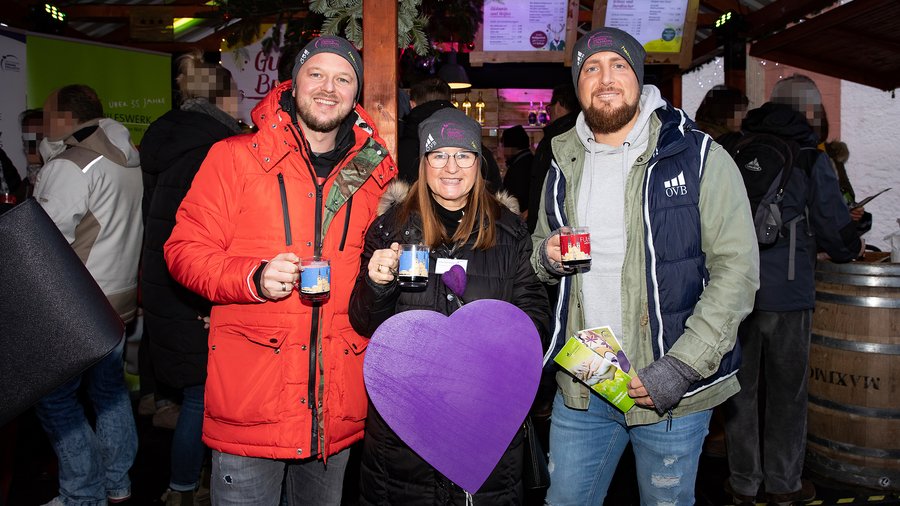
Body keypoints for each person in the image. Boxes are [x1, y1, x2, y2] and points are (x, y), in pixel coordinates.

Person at [164, 35, 397, 505]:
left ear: (355, 95)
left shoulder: (376, 176)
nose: (328, 88)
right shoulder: (234, 158)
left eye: (343, 78)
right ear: (292, 85)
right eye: (317, 74)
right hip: (253, 400)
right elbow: (183, 251)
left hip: (334, 408)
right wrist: (252, 277)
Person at [530, 27, 759, 505]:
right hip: (584, 383)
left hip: (669, 388)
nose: (605, 77)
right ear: (578, 85)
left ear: (638, 77)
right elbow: (538, 248)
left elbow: (737, 273)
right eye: (591, 68)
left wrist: (680, 367)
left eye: (618, 66)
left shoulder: (697, 156)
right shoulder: (563, 159)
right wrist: (547, 256)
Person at [348, 107, 550, 505]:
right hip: (403, 432)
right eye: (438, 155)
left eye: (463, 155)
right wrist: (377, 283)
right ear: (423, 164)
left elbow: (535, 320)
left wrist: (488, 353)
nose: (451, 166)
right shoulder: (390, 229)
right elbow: (365, 323)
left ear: (479, 163)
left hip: (485, 419)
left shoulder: (508, 232)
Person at [723, 76, 865, 506]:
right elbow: (831, 226)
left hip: (738, 292)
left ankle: (743, 483)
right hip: (788, 296)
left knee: (740, 393)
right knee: (788, 394)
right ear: (807, 111)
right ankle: (784, 486)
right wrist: (850, 245)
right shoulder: (809, 157)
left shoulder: (736, 149)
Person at [140, 50, 243, 506]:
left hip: (169, 288)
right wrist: (210, 302)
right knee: (205, 398)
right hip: (197, 295)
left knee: (195, 395)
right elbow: (209, 237)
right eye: (237, 98)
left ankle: (187, 483)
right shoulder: (213, 151)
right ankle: (184, 488)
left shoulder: (167, 141)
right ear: (224, 100)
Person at [33, 84, 143, 505]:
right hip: (117, 299)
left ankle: (82, 492)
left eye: (47, 115)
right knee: (109, 394)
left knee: (56, 401)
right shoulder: (128, 158)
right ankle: (116, 482)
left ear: (64, 118)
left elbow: (42, 240)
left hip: (75, 302)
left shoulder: (72, 165)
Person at [396, 77, 503, 191]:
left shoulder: (399, 150)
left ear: (412, 104)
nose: (451, 169)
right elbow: (495, 194)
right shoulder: (477, 149)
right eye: (439, 156)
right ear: (449, 101)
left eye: (462, 156)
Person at [527, 82, 579, 234]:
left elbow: (543, 181)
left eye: (550, 107)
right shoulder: (582, 132)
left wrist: (533, 213)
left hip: (550, 225)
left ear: (558, 106)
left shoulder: (555, 137)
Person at [500, 125, 533, 218]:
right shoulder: (529, 160)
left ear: (511, 147)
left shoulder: (520, 166)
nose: (502, 151)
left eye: (503, 146)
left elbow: (515, 198)